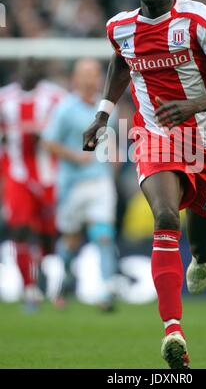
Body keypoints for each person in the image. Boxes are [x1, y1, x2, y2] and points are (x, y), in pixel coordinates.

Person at [83, 0, 206, 369]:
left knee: (202, 245)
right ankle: (172, 330)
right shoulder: (119, 27)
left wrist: (193, 107)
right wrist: (103, 114)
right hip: (155, 137)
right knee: (165, 217)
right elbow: (122, 63)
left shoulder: (200, 21)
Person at [42, 59, 118, 311]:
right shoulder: (65, 108)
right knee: (71, 239)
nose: (89, 79)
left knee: (104, 236)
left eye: (94, 74)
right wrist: (75, 156)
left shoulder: (108, 110)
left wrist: (114, 159)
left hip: (100, 181)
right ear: (75, 78)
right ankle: (61, 284)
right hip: (72, 184)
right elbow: (48, 142)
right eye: (84, 74)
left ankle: (107, 293)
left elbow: (110, 142)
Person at [0, 59, 66, 309]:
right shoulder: (4, 98)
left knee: (47, 236)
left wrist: (46, 136)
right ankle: (28, 287)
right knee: (19, 229)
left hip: (49, 175)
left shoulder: (56, 97)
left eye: (34, 66)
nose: (29, 71)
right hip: (16, 174)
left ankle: (48, 280)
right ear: (17, 71)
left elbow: (68, 130)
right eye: (25, 66)